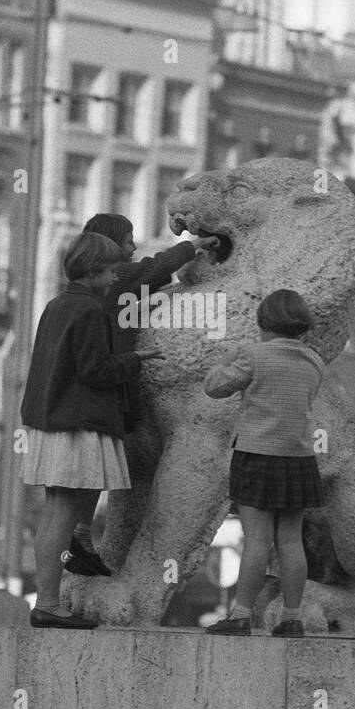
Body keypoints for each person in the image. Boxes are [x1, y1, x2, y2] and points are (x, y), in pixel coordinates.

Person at [61, 213, 219, 577]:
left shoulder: (97, 290)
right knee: (94, 471)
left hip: (95, 396)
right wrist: (191, 248)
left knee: (97, 472)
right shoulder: (117, 279)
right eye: (128, 240)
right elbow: (151, 270)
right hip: (107, 393)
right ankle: (77, 542)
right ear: (109, 246)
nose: (133, 247)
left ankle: (81, 540)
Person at [20, 231, 162, 628]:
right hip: (77, 423)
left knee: (53, 515)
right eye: (113, 269)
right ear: (94, 270)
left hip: (51, 420)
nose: (117, 276)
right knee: (63, 517)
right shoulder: (90, 311)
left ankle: (45, 600)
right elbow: (94, 371)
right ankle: (47, 603)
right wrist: (135, 360)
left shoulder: (57, 305)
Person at [202, 289, 325, 637]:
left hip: (257, 455)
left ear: (263, 322)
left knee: (257, 539)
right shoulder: (314, 361)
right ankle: (292, 617)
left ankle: (241, 615)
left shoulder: (254, 357)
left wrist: (226, 359)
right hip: (299, 459)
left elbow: (214, 387)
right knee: (290, 540)